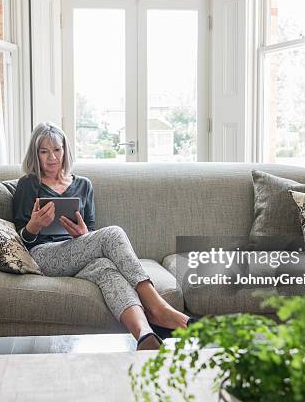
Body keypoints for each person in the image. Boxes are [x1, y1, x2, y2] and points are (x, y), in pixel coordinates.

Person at [13, 122, 191, 350]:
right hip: (44, 256)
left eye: (57, 150)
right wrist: (34, 226)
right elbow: (22, 240)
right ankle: (158, 308)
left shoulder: (83, 185)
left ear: (65, 151)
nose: (52, 158)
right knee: (113, 233)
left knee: (106, 268)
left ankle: (144, 335)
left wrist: (84, 234)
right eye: (44, 151)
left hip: (80, 254)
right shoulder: (28, 184)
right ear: (35, 154)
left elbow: (91, 231)